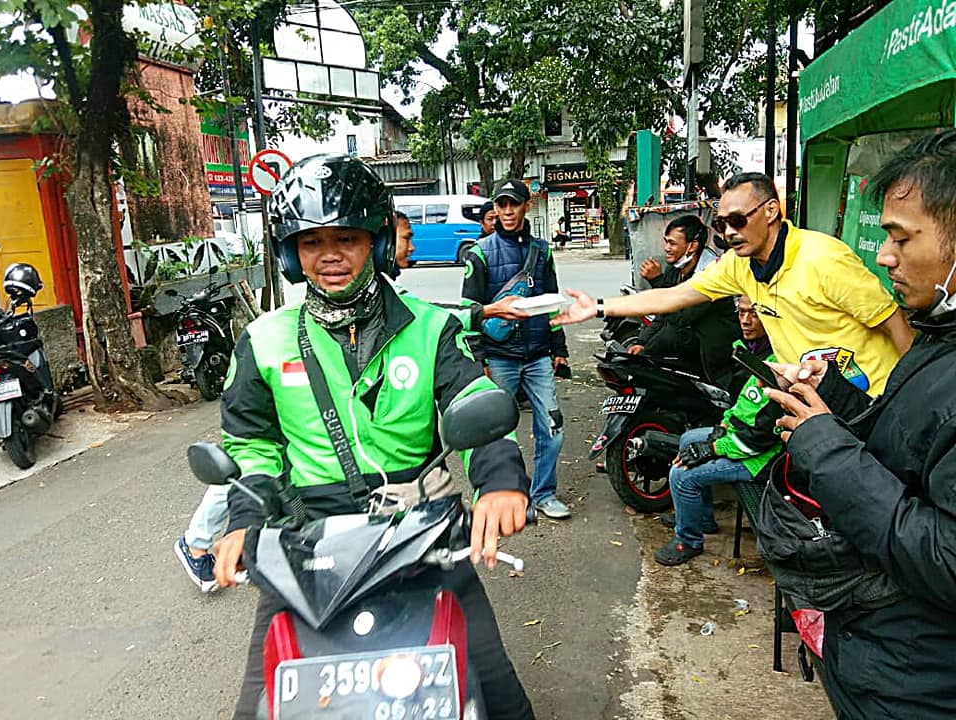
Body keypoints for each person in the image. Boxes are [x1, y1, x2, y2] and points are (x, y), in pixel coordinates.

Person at [212, 155, 535, 720]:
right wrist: (244, 518)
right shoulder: (264, 340)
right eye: (311, 241)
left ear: (378, 243)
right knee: (258, 705)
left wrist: (501, 481)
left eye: (348, 238)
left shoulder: (433, 327)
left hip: (421, 537)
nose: (330, 255)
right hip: (305, 545)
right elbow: (251, 443)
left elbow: (474, 407)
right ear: (291, 254)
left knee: (497, 691)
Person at [766, 130, 956, 719]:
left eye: (902, 237)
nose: (883, 255)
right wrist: (835, 402)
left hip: (919, 686)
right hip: (884, 660)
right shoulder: (938, 334)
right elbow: (911, 449)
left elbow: (946, 558)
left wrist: (824, 447)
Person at [553, 171, 914, 395]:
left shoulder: (823, 259)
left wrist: (909, 397)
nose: (728, 232)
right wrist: (599, 307)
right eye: (722, 223)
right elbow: (674, 296)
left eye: (738, 220)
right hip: (819, 399)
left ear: (771, 211)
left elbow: (895, 324)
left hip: (873, 395)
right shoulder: (739, 266)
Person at [462, 178, 572, 519]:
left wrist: (559, 348)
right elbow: (470, 311)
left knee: (551, 427)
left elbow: (553, 303)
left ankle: (543, 493)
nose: (507, 211)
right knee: (496, 431)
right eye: (501, 204)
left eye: (514, 204)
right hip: (499, 359)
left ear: (528, 205)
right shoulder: (479, 253)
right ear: (494, 209)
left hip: (538, 357)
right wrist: (480, 360)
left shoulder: (543, 251)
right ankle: (506, 498)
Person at [654, 295, 782, 565]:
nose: (745, 321)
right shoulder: (752, 354)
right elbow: (743, 405)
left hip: (760, 459)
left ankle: (688, 541)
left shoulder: (778, 367)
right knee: (688, 438)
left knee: (681, 475)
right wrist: (723, 425)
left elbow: (759, 439)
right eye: (742, 313)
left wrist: (713, 447)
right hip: (739, 437)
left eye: (754, 314)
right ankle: (702, 518)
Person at [631, 215, 739, 385]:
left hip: (713, 351)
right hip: (689, 342)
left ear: (692, 246)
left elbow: (680, 317)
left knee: (669, 335)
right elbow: (662, 314)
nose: (666, 248)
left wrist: (657, 281)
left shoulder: (710, 274)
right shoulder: (675, 270)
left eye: (672, 243)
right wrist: (642, 343)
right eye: (666, 242)